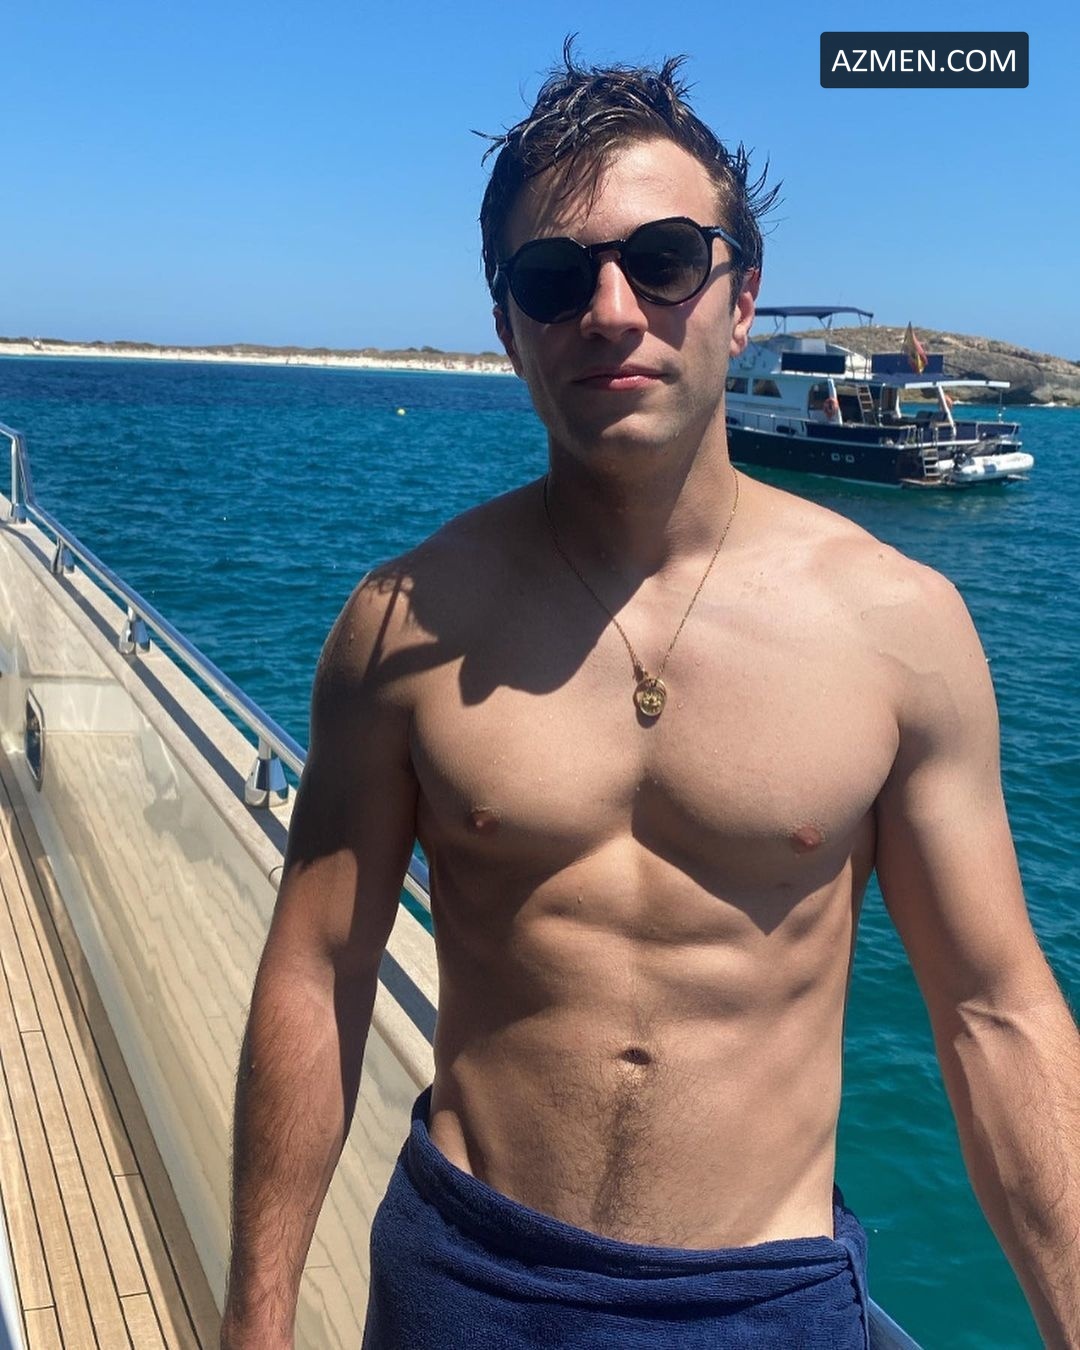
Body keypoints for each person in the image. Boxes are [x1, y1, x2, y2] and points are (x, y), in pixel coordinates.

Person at [220, 49, 1080, 1350]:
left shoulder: (898, 630)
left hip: (763, 1301)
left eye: (666, 260)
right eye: (554, 278)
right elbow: (319, 968)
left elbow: (993, 1011)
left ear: (742, 300)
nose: (612, 310)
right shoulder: (399, 628)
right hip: (468, 1279)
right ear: (509, 327)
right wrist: (257, 1315)